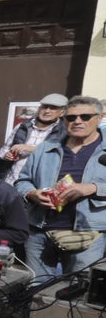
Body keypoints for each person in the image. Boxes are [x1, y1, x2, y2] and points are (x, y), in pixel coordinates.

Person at [15, 95, 106, 276]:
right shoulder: (45, 147)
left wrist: (93, 188)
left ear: (99, 118)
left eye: (85, 117)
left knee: (77, 294)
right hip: (40, 231)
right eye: (71, 117)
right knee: (35, 289)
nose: (77, 121)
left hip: (87, 234)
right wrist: (33, 193)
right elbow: (22, 181)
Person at [0, 93, 67, 185]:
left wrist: (32, 149)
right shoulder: (22, 127)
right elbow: (4, 150)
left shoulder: (64, 132)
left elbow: (62, 156)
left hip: (37, 185)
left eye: (53, 108)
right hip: (10, 182)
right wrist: (6, 155)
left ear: (62, 113)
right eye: (44, 107)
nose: (47, 111)